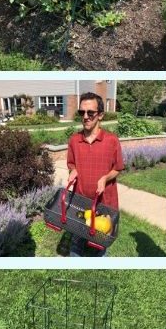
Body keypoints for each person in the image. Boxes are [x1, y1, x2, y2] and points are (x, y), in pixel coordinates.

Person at [66, 92, 123, 257]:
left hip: (104, 201)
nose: (85, 116)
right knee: (77, 238)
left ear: (100, 115)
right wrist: (73, 171)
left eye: (90, 112)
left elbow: (118, 168)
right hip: (80, 199)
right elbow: (71, 164)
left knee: (100, 241)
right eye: (81, 112)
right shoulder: (74, 140)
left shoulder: (111, 140)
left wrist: (105, 178)